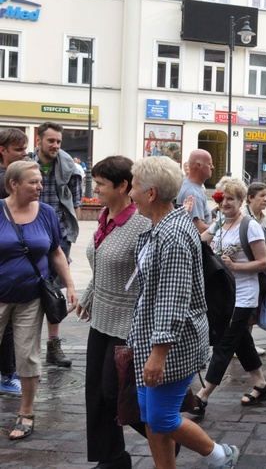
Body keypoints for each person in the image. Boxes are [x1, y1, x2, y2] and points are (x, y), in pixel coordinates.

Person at [127, 156, 239, 468]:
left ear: (151, 193)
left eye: (134, 187)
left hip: (172, 343)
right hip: (152, 338)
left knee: (162, 418)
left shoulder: (173, 234)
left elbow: (172, 298)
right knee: (150, 415)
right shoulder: (159, 226)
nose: (130, 194)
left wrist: (158, 352)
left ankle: (220, 455)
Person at [77, 156, 151, 468]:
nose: (95, 189)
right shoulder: (105, 216)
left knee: (114, 393)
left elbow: (149, 279)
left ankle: (169, 436)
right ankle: (112, 458)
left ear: (123, 186)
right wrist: (90, 294)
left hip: (129, 322)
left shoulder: (142, 225)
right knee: (95, 393)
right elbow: (103, 264)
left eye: (101, 184)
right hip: (102, 318)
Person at [0, 160, 78, 439]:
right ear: (14, 184)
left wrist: (70, 285)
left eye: (39, 181)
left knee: (27, 356)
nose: (40, 187)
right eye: (33, 182)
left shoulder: (45, 212)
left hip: (32, 298)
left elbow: (56, 252)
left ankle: (27, 412)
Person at [195, 178, 266, 413]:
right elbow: (198, 242)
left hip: (244, 295)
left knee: (225, 342)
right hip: (224, 296)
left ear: (240, 200)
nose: (225, 202)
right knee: (241, 340)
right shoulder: (219, 222)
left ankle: (203, 395)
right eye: (221, 198)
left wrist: (235, 267)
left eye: (230, 198)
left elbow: (264, 263)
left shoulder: (249, 226)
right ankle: (260, 384)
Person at [32, 122, 82, 368]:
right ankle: (24, 348)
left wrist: (69, 236)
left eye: (59, 142)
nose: (55, 146)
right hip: (28, 233)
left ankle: (53, 346)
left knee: (53, 291)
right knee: (28, 289)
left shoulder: (69, 167)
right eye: (51, 141)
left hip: (58, 235)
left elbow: (76, 203)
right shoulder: (26, 165)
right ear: (39, 139)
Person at [0, 128, 28, 396]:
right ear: (3, 150)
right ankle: (7, 374)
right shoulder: (5, 180)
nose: (24, 153)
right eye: (19, 149)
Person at [177, 149, 214, 233]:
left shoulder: (190, 186)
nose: (212, 167)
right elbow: (200, 229)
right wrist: (216, 225)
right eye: (210, 164)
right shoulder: (193, 193)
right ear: (199, 165)